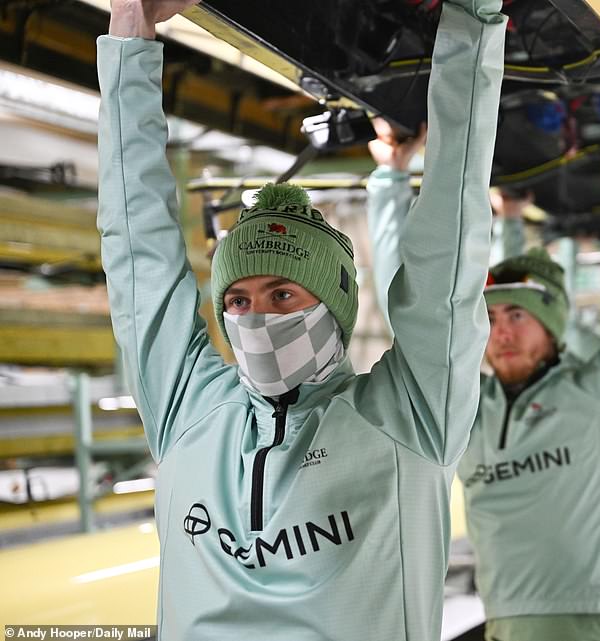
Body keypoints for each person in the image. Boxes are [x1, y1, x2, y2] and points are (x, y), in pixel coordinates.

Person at [96, 0, 506, 638]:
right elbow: (136, 254)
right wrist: (129, 35)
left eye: (282, 294)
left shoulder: (408, 419)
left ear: (333, 307)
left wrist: (473, 24)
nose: (255, 316)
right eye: (238, 301)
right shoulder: (190, 412)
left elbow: (451, 235)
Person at [368, 89, 600, 641]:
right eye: (493, 316)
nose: (502, 331)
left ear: (554, 325)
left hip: (594, 623)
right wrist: (391, 179)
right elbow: (411, 317)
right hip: (504, 626)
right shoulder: (470, 416)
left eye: (518, 314)